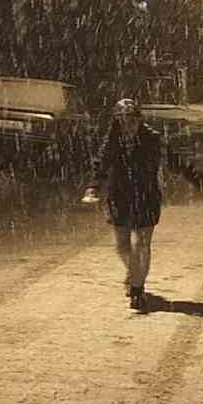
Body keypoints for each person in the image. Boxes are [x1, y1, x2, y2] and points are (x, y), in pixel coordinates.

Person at [83, 98, 164, 309]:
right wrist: (93, 187)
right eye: (122, 119)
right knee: (122, 246)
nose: (127, 124)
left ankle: (138, 289)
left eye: (131, 118)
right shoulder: (112, 139)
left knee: (142, 243)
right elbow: (100, 163)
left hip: (146, 196)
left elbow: (170, 160)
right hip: (119, 195)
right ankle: (133, 271)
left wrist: (194, 177)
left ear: (139, 119)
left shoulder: (152, 138)